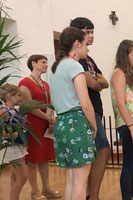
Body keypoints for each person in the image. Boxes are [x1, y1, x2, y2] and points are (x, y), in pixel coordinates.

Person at [49, 27, 97, 200]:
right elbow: (85, 103)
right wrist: (94, 125)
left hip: (61, 123)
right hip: (75, 123)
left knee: (71, 180)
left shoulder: (55, 68)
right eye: (85, 44)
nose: (87, 48)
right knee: (80, 182)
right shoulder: (74, 66)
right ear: (77, 44)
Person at [70, 17, 111, 200]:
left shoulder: (89, 58)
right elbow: (93, 85)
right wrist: (97, 82)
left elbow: (104, 82)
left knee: (97, 153)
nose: (91, 36)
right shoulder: (78, 59)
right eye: (87, 32)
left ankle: (90, 194)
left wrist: (98, 82)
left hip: (96, 110)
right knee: (102, 150)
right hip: (88, 111)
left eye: (92, 31)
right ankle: (92, 195)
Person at [18, 55, 60, 200]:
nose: (47, 65)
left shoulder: (46, 84)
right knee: (32, 158)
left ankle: (46, 188)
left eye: (47, 62)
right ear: (33, 64)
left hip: (45, 123)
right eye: (43, 62)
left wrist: (51, 120)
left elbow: (50, 103)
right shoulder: (24, 83)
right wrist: (48, 118)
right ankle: (35, 191)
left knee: (44, 157)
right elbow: (29, 107)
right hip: (32, 124)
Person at [110, 40, 133, 200]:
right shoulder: (119, 73)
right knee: (128, 165)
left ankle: (130, 196)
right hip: (127, 123)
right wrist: (132, 128)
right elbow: (120, 102)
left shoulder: (129, 74)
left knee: (131, 165)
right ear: (125, 55)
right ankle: (127, 197)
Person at [0, 84, 28, 200]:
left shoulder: (13, 110)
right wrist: (6, 134)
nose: (21, 98)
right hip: (12, 147)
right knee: (23, 177)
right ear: (10, 96)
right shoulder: (4, 110)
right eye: (19, 95)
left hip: (19, 145)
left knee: (15, 176)